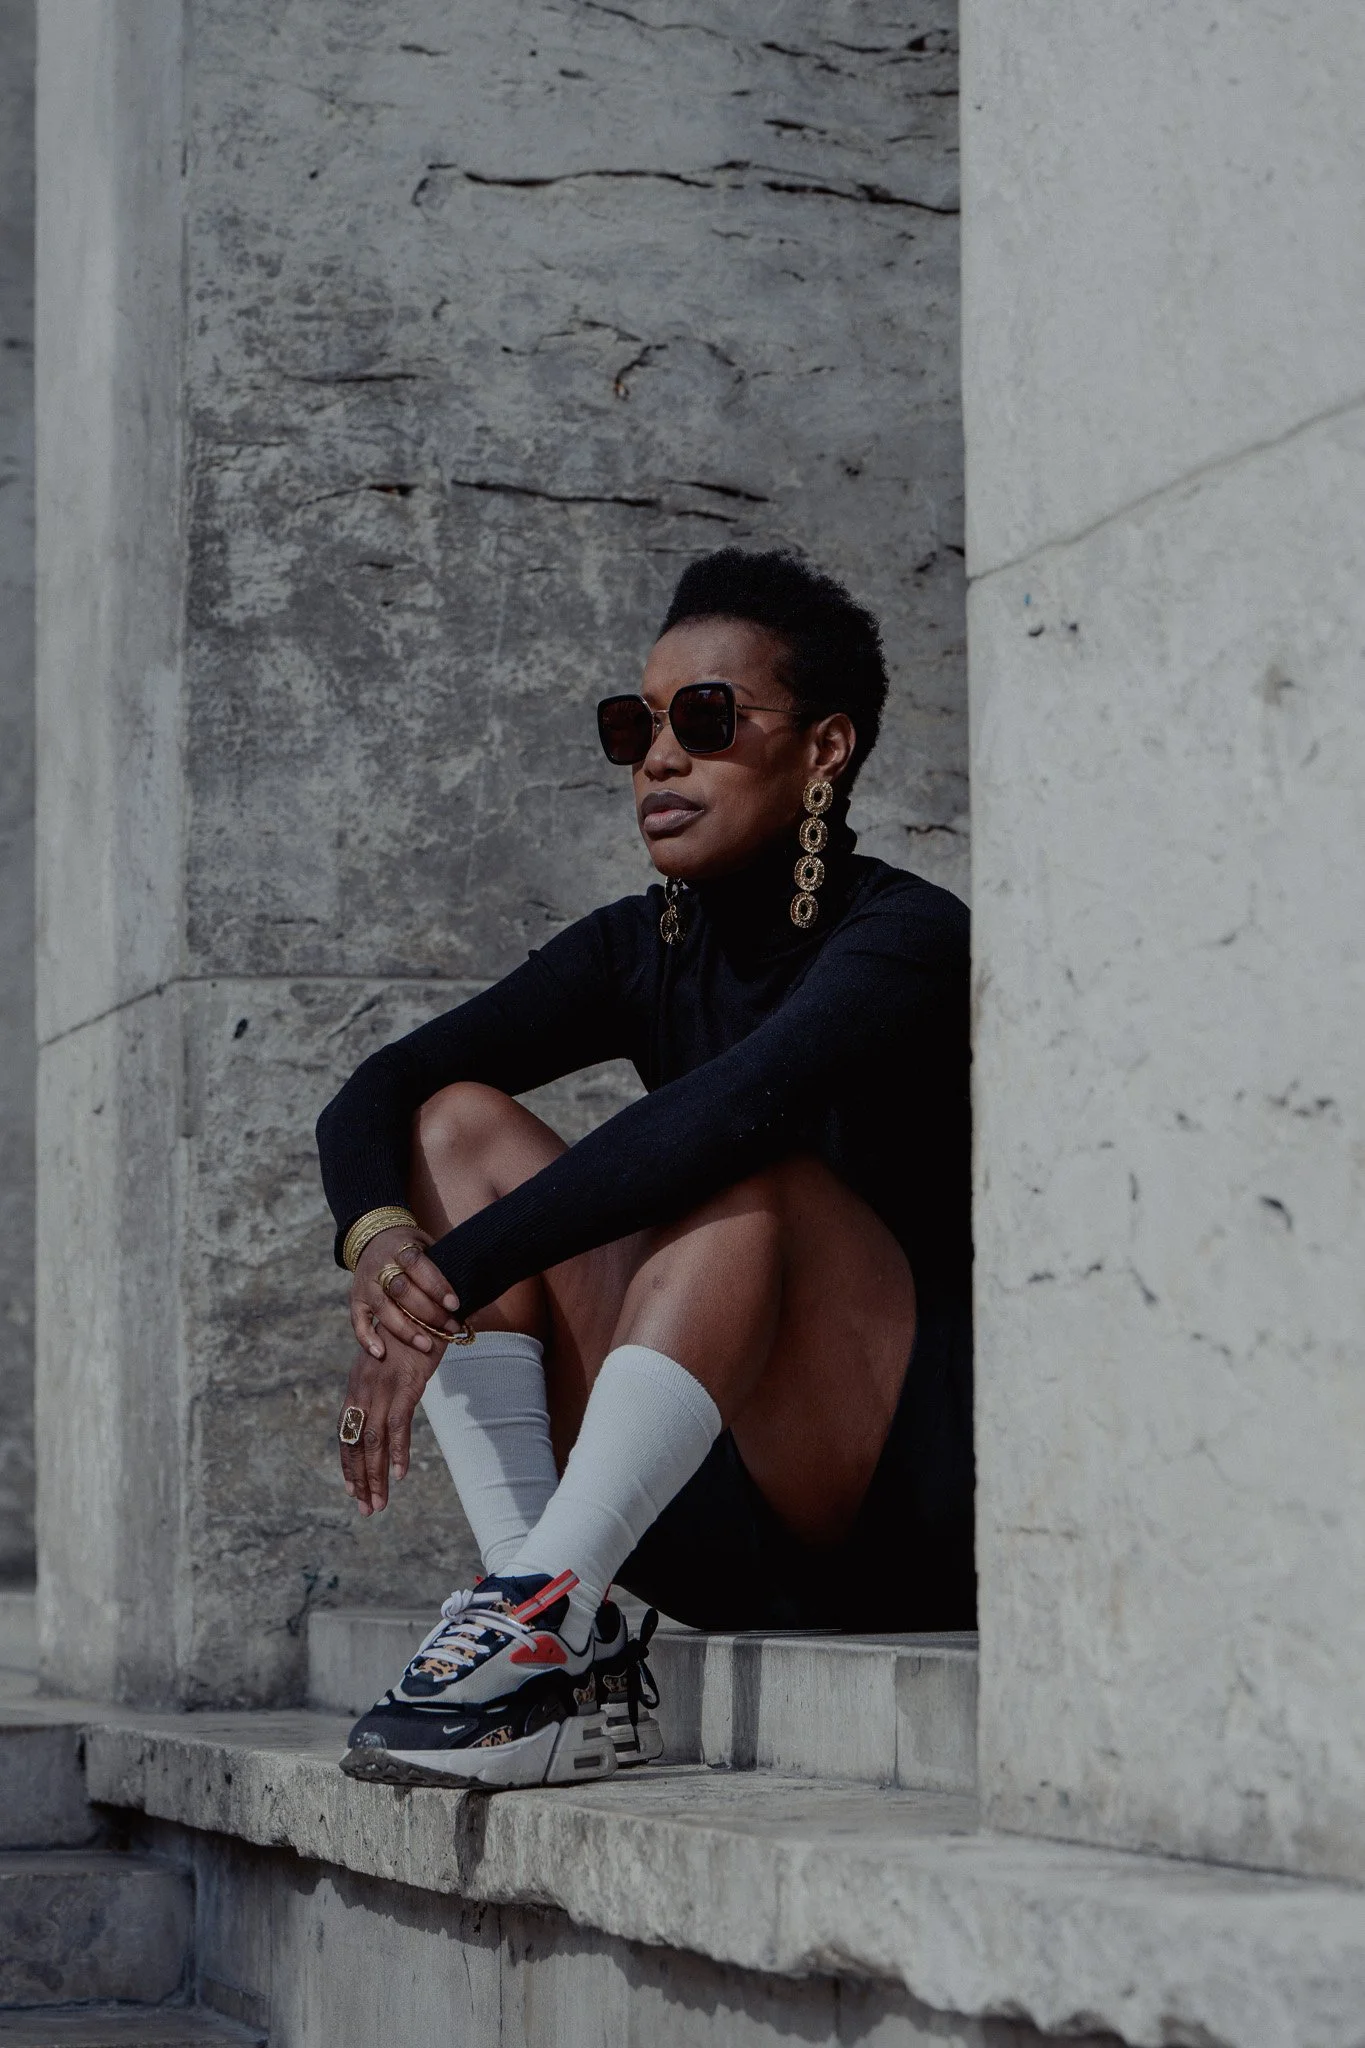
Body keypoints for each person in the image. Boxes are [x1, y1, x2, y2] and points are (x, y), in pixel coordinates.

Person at [315, 548, 973, 1789]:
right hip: (700, 1502)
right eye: (638, 725)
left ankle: (540, 1604)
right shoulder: (641, 943)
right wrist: (388, 1252)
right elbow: (378, 1090)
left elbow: (732, 1111)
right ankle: (554, 1620)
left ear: (826, 747)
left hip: (887, 1509)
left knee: (751, 1175)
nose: (659, 758)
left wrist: (450, 1281)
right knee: (456, 1127)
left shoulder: (910, 938)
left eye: (706, 719)